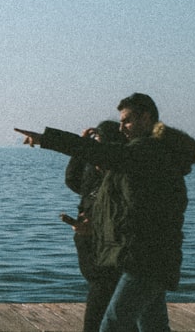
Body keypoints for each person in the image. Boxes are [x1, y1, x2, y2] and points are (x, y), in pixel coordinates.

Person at [16, 93, 195, 332]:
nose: (121, 127)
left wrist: (47, 139)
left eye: (126, 120)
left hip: (146, 259)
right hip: (150, 256)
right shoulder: (153, 152)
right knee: (153, 326)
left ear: (146, 118)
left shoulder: (148, 151)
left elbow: (105, 154)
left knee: (113, 326)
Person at [63, 120, 124, 332]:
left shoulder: (121, 174)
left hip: (106, 243)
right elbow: (72, 180)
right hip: (87, 238)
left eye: (99, 145)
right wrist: (80, 149)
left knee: (103, 291)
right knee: (106, 294)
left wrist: (96, 228)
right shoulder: (92, 169)